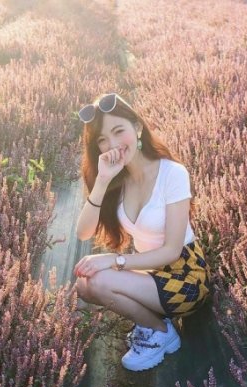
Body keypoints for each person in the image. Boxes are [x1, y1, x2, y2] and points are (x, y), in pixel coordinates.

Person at [73, 93, 211, 372]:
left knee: (98, 282)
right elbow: (83, 233)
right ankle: (154, 324)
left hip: (185, 276)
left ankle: (159, 333)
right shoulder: (117, 178)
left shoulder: (172, 174)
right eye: (102, 140)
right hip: (149, 272)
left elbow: (171, 251)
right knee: (83, 286)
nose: (112, 145)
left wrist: (113, 260)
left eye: (118, 131)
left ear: (137, 127)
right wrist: (102, 181)